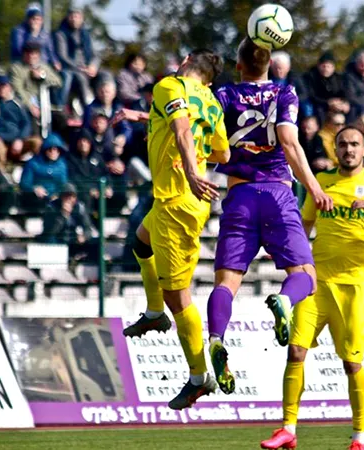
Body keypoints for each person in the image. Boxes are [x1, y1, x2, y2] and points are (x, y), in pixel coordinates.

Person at [261, 126, 364, 450]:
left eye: (355, 144)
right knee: (295, 351)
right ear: (336, 149)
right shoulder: (322, 181)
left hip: (355, 288)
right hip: (317, 282)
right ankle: (288, 429)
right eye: (343, 144)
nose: (348, 149)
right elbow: (303, 226)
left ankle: (360, 437)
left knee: (352, 364)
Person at [204, 39, 333, 396]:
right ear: (271, 64)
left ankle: (216, 339)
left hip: (240, 195)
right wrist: (314, 187)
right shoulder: (284, 93)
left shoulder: (225, 95)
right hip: (277, 193)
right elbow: (290, 144)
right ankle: (284, 301)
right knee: (305, 276)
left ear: (239, 65)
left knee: (226, 283)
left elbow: (196, 131)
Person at [119, 49, 231, 411]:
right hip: (175, 199)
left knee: (178, 297)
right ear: (210, 79)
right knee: (140, 243)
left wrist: (192, 172)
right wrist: (143, 117)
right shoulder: (212, 102)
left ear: (184, 61)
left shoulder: (170, 85)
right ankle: (154, 314)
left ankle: (199, 377)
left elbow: (182, 130)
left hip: (179, 201)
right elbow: (223, 154)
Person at [0, 76, 33, 163]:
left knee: (37, 142)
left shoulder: (17, 103)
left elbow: (26, 123)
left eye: (4, 86)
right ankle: (2, 173)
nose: (1, 89)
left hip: (16, 139)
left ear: (9, 87)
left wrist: (20, 139)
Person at [19, 133, 69, 212]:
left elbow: (63, 184)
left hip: (55, 200)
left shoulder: (62, 166)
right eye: (50, 149)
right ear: (45, 150)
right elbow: (24, 183)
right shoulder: (33, 163)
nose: (53, 152)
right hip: (35, 200)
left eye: (56, 149)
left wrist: (57, 195)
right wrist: (34, 189)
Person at [10, 3, 60, 69]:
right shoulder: (18, 31)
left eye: (38, 19)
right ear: (27, 19)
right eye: (33, 18)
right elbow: (19, 50)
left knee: (57, 78)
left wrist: (55, 61)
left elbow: (51, 51)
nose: (36, 21)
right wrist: (33, 34)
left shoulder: (45, 34)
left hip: (43, 66)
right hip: (23, 65)